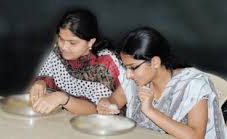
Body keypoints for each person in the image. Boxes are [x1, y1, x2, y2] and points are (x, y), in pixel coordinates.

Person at [97, 27, 226, 138]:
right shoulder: (136, 80)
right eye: (126, 67)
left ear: (155, 62)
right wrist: (106, 104)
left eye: (133, 67)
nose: (128, 74)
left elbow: (195, 136)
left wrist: (150, 111)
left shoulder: (192, 85)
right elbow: (114, 100)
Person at [29, 9, 134, 115]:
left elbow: (98, 111)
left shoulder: (105, 64)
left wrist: (64, 99)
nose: (64, 47)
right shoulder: (58, 51)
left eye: (72, 43)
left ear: (91, 42)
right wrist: (40, 83)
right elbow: (46, 77)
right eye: (61, 39)